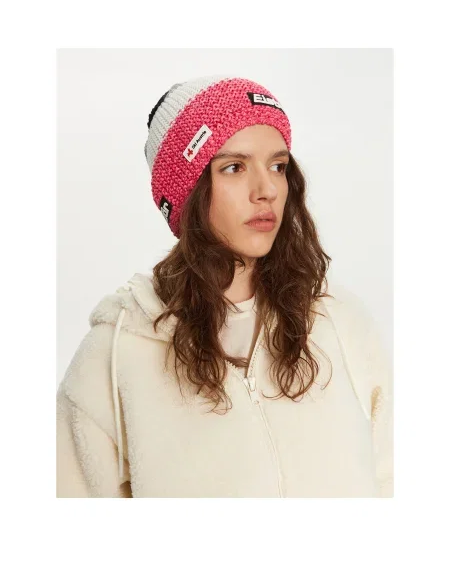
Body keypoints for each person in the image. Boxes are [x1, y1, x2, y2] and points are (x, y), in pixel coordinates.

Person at [56, 74, 393, 498]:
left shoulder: (340, 322)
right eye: (234, 167)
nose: (266, 190)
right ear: (188, 192)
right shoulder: (117, 353)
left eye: (278, 166)